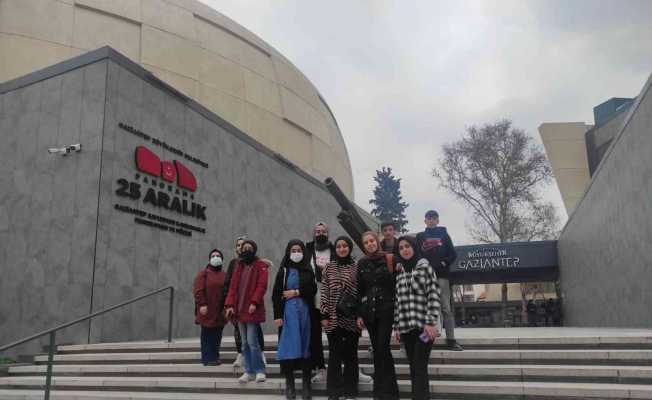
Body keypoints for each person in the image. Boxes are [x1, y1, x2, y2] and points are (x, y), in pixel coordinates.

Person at [393, 236, 440, 400]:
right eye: (401, 248)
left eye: (407, 246)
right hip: (407, 328)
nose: (405, 250)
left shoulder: (425, 267)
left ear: (414, 247)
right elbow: (398, 302)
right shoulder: (399, 273)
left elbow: (434, 295)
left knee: (419, 365)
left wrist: (430, 322)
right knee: (414, 367)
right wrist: (397, 326)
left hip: (425, 328)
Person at [356, 231, 400, 400]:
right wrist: (359, 314)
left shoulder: (390, 259)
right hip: (370, 313)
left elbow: (398, 286)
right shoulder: (362, 263)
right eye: (366, 242)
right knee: (378, 350)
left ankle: (388, 392)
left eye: (372, 240)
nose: (370, 244)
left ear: (377, 241)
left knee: (382, 348)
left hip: (387, 311)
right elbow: (360, 290)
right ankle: (381, 392)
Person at [273, 240, 317, 400]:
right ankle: (290, 384)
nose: (296, 253)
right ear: (288, 252)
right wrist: (277, 315)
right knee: (288, 348)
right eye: (293, 250)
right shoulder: (283, 271)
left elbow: (312, 289)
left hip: (305, 314)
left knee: (305, 348)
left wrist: (296, 292)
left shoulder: (308, 269)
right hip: (287, 315)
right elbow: (276, 294)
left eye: (299, 250)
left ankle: (306, 384)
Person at [415, 210, 462, 351]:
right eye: (429, 218)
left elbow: (453, 254)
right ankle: (424, 340)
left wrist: (443, 263)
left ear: (437, 220)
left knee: (446, 308)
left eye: (434, 218)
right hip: (425, 278)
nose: (431, 220)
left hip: (442, 276)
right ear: (425, 220)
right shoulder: (420, 237)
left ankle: (451, 340)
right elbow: (416, 254)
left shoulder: (445, 235)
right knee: (423, 309)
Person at [320, 236, 361, 400]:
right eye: (338, 247)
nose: (342, 249)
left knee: (351, 355)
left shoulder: (357, 267)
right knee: (335, 355)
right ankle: (334, 393)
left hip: (351, 318)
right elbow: (324, 291)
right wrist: (324, 314)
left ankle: (351, 392)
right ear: (335, 249)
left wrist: (359, 315)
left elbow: (360, 293)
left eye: (345, 246)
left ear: (349, 248)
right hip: (332, 318)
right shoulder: (329, 268)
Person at [225, 239, 269, 383]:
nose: (247, 250)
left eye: (250, 248)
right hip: (239, 310)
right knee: (244, 343)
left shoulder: (261, 265)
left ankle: (260, 371)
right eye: (244, 248)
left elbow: (262, 286)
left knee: (252, 342)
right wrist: (229, 304)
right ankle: (248, 371)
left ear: (254, 250)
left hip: (251, 310)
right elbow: (232, 287)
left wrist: (254, 302)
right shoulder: (239, 266)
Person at [193, 249, 228, 366]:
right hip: (207, 310)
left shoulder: (225, 275)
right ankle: (207, 358)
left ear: (222, 259)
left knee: (217, 335)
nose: (215, 257)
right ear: (209, 259)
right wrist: (202, 304)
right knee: (207, 335)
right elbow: (198, 291)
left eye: (218, 256)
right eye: (213, 256)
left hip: (220, 311)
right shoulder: (203, 274)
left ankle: (215, 356)